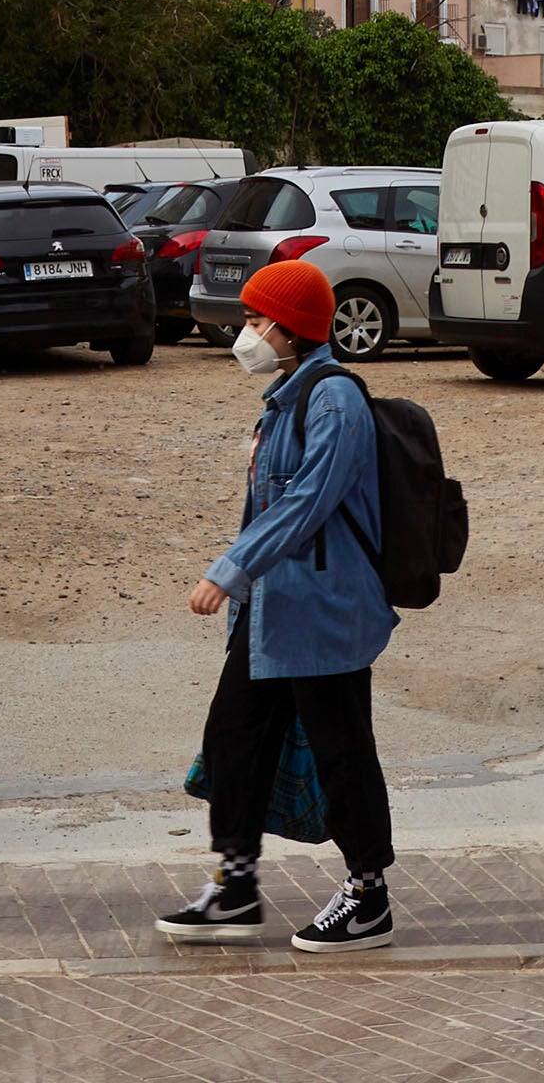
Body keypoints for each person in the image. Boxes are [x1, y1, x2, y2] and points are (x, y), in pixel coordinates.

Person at [158, 258, 398, 953]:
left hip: (323, 611)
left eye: (258, 319)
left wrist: (230, 570)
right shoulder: (288, 394)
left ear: (293, 328)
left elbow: (306, 504)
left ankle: (368, 895)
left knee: (342, 751)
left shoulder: (333, 400)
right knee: (235, 739)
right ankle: (236, 887)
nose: (248, 331)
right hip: (271, 612)